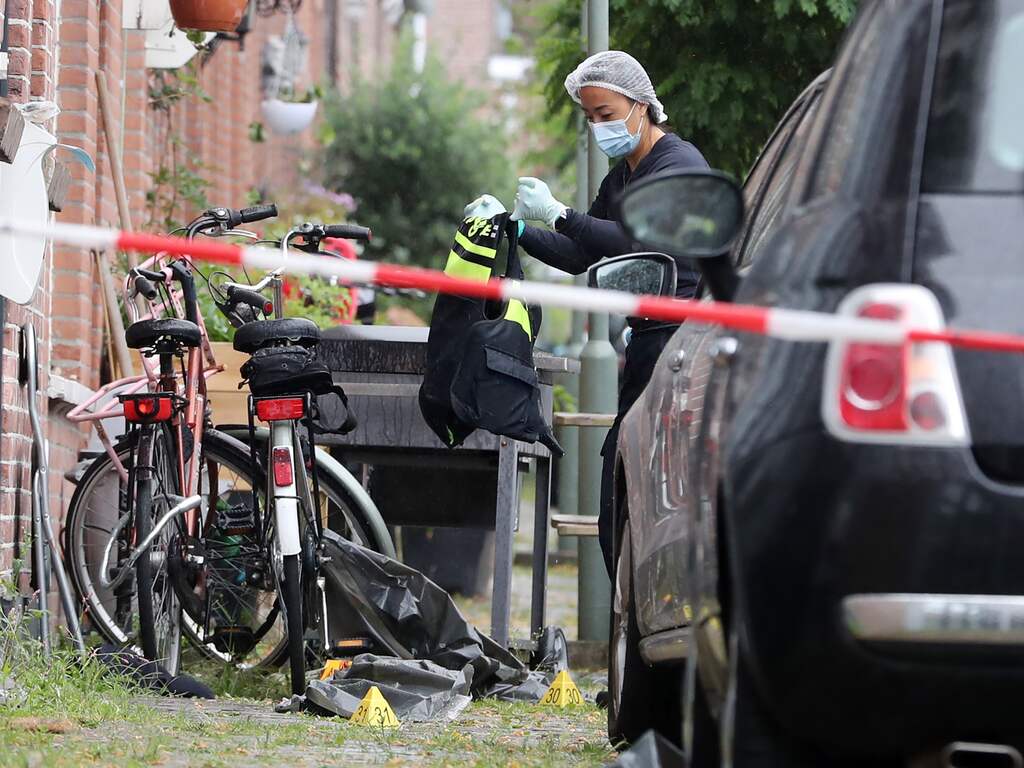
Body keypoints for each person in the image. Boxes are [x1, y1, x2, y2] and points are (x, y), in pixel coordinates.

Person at [467, 50, 709, 576]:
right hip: (646, 346)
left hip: (681, 348)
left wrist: (560, 213)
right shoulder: (622, 178)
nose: (599, 126)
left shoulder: (678, 165)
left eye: (606, 113)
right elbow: (581, 253)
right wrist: (519, 229)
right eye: (591, 118)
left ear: (642, 106)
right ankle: (632, 608)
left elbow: (638, 238)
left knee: (646, 487)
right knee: (616, 499)